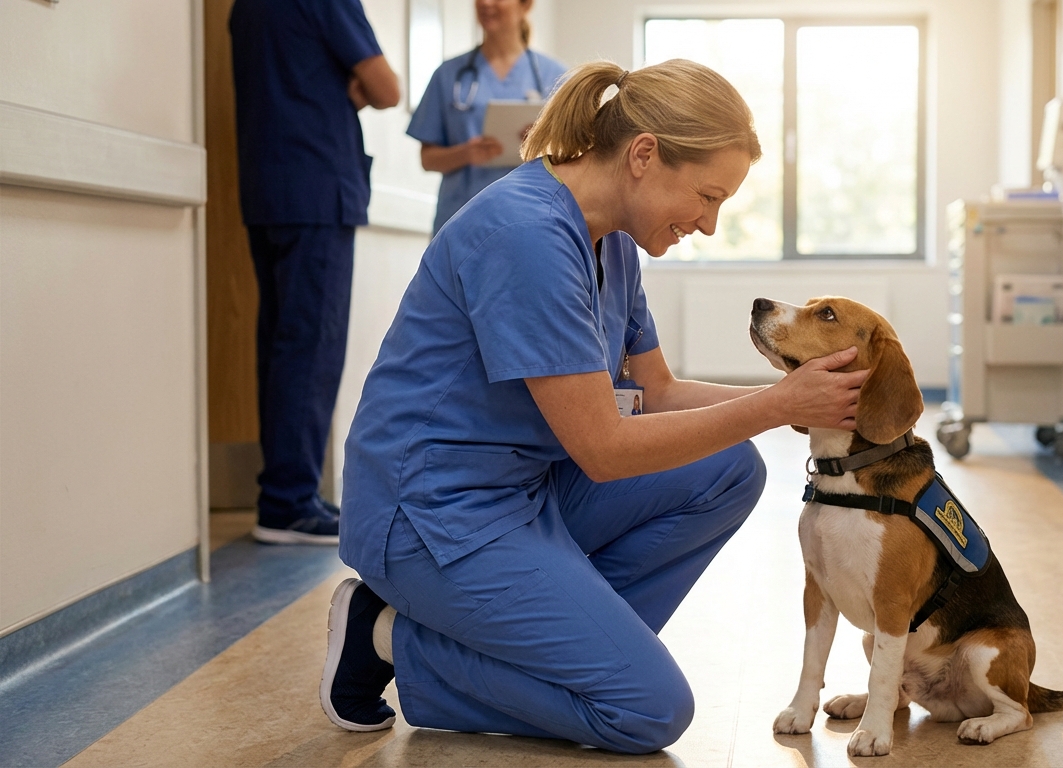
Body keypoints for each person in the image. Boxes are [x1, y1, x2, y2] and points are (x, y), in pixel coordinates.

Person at [321, 60, 868, 753]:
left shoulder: (612, 241)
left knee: (731, 469)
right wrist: (776, 404)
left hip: (524, 492)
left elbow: (659, 394)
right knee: (647, 711)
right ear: (644, 155)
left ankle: (565, 656)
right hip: (432, 516)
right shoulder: (527, 235)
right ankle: (386, 638)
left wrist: (795, 404)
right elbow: (604, 449)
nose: (708, 224)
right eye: (706, 196)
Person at [229, 0, 400, 545]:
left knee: (280, 346)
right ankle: (288, 502)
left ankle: (285, 490)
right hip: (317, 189)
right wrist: (350, 85)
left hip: (267, 189)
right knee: (310, 347)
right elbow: (387, 89)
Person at [407, 0, 567, 235]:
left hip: (531, 219)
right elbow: (428, 158)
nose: (485, 3)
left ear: (525, 6)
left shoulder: (555, 77)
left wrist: (543, 143)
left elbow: (576, 155)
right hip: (460, 220)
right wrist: (465, 154)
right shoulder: (448, 75)